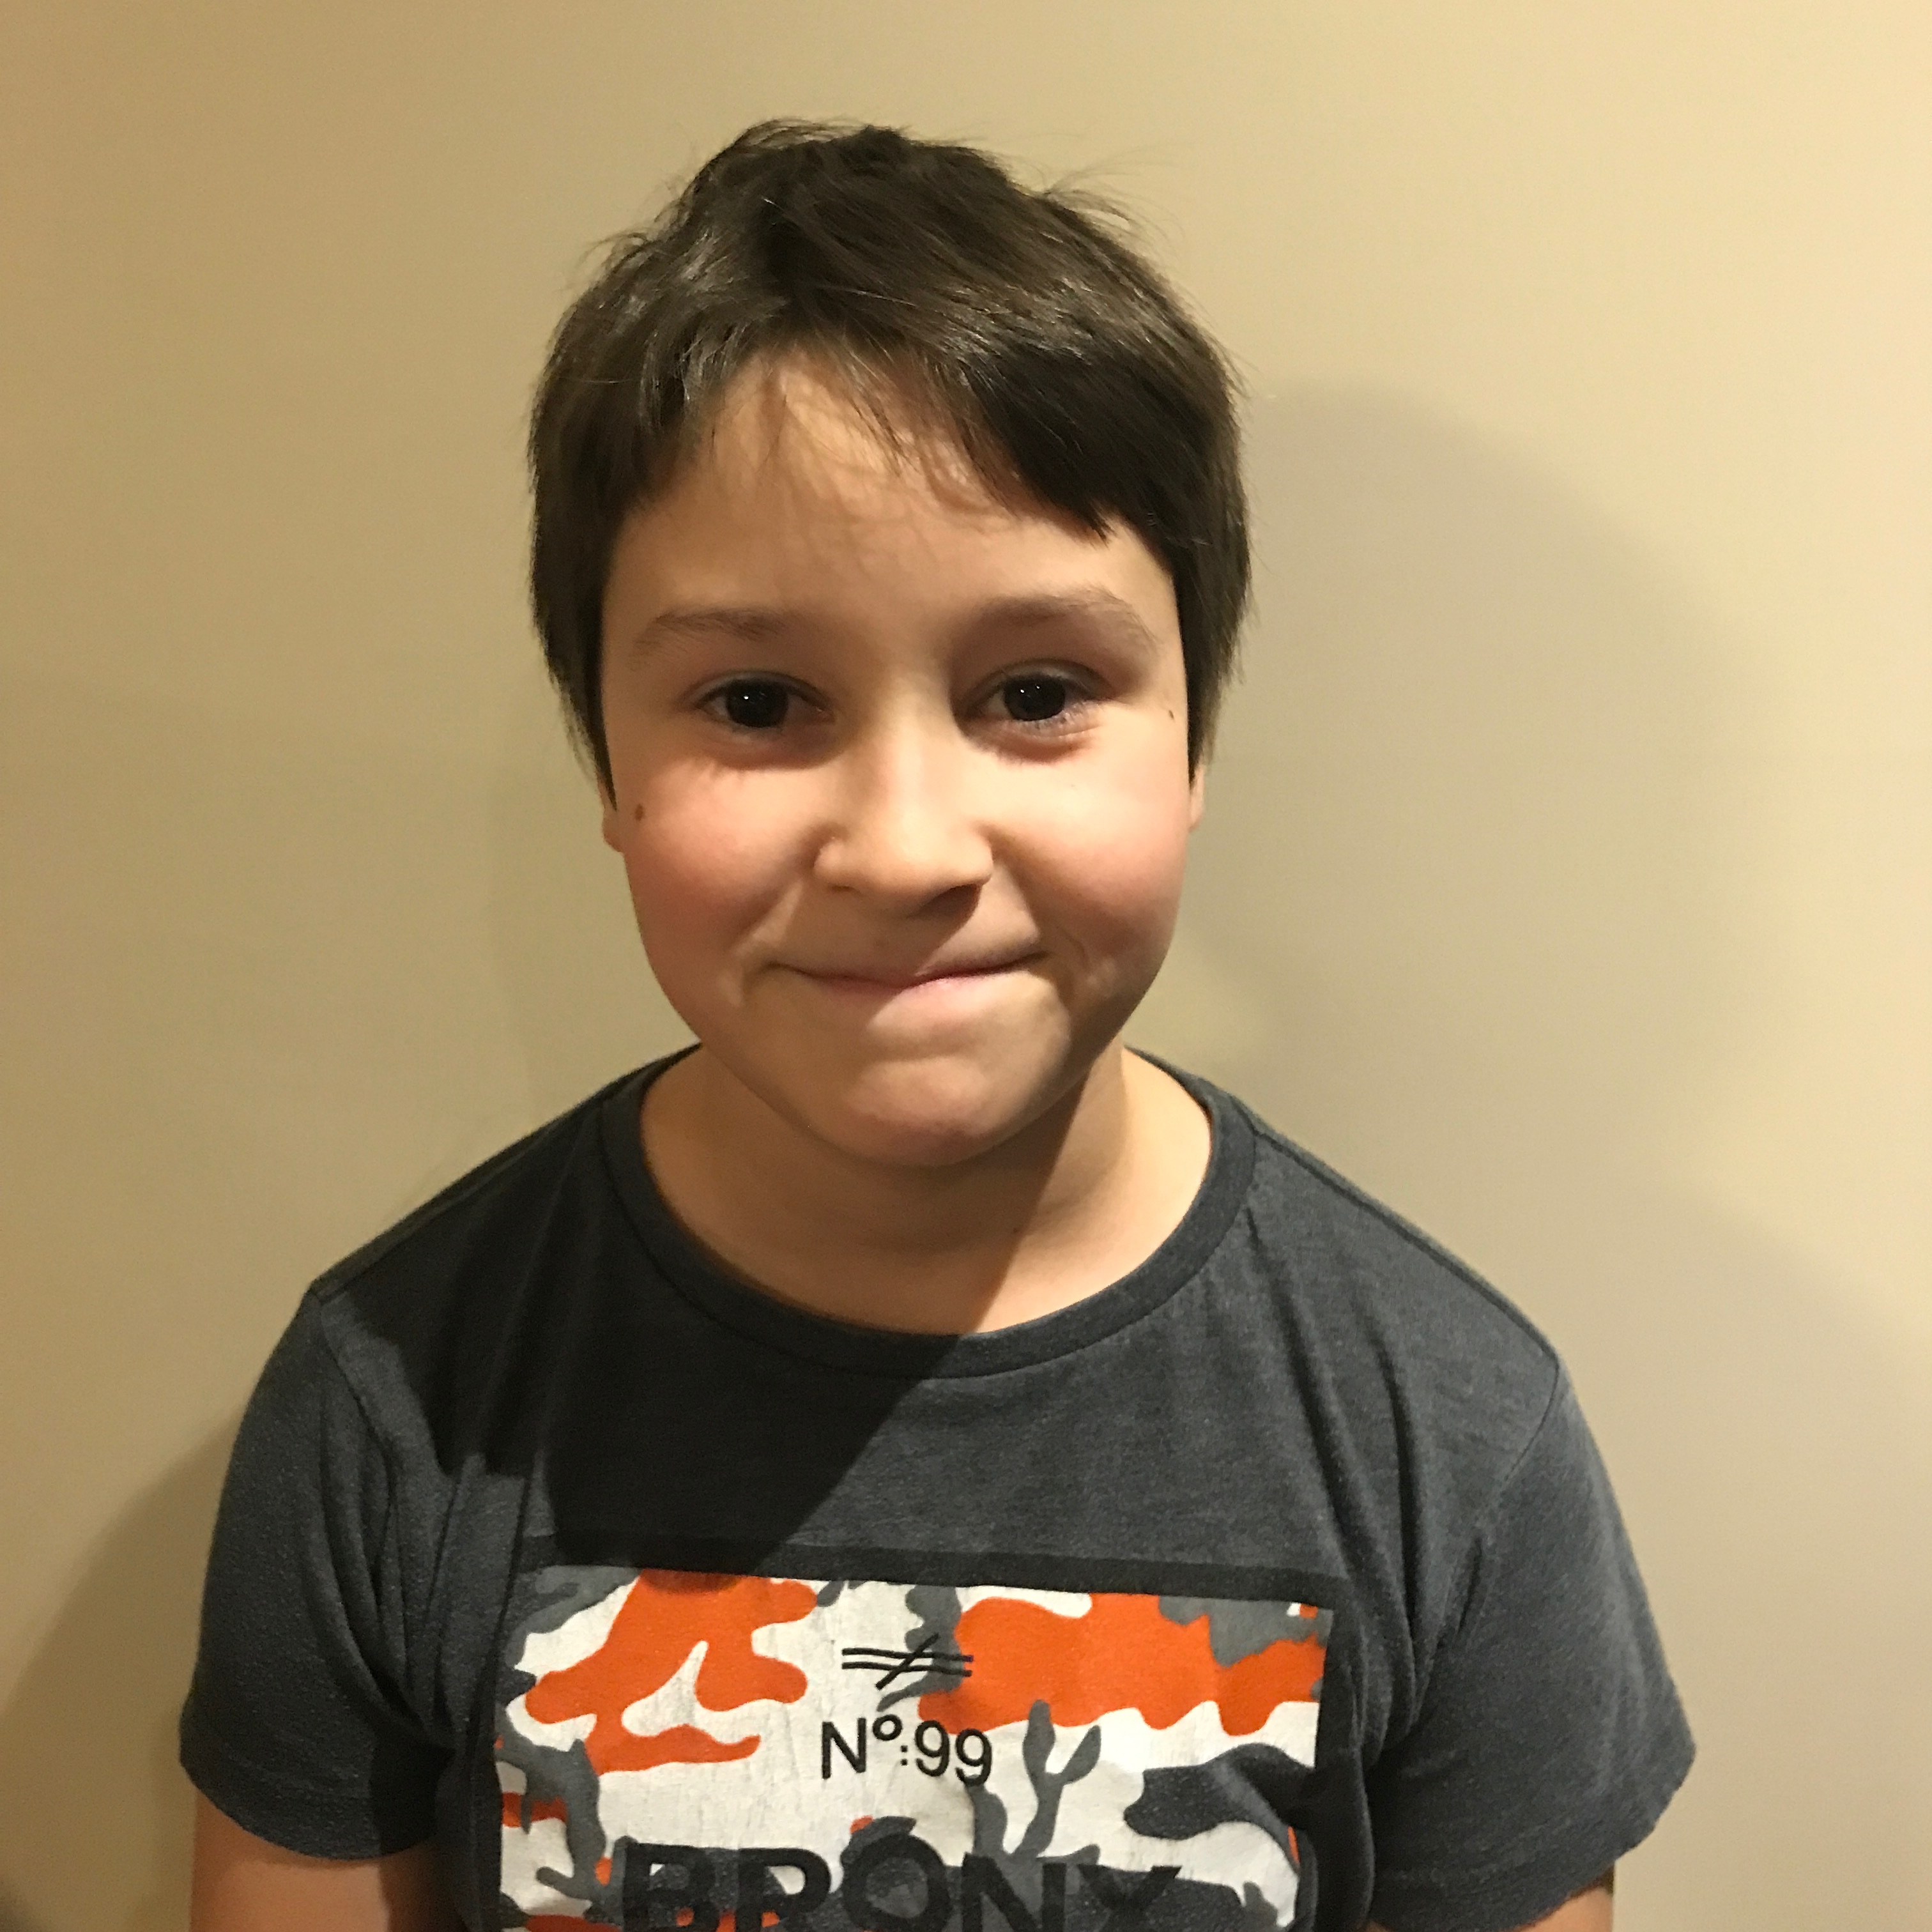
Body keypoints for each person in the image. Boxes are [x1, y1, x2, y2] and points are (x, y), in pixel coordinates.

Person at [181, 121, 1692, 1932]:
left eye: (1038, 692)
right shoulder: (391, 1404)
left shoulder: (1452, 1436)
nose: (905, 850)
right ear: (608, 761)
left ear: (1196, 743)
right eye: (758, 703)